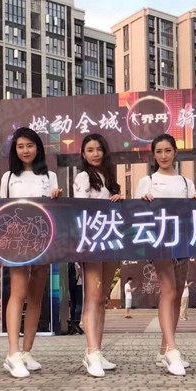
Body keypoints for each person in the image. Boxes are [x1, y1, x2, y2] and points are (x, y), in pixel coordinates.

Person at [0, 127, 61, 378]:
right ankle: (12, 353)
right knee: (18, 292)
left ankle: (27, 352)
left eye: (30, 145)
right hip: (16, 242)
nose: (25, 151)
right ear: (15, 150)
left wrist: (56, 198)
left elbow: (56, 210)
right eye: (20, 146)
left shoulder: (50, 176)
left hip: (43, 240)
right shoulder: (7, 178)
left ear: (38, 148)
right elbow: (0, 210)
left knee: (36, 295)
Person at [136, 133, 196, 376]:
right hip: (159, 241)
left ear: (175, 152)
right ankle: (172, 350)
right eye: (159, 151)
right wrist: (144, 201)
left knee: (177, 294)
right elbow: (137, 213)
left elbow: (194, 212)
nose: (163, 156)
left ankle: (164, 350)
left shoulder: (186, 183)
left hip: (182, 242)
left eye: (167, 150)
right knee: (169, 291)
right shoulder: (147, 181)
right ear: (153, 155)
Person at [73, 133, 122, 377]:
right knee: (92, 296)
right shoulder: (83, 177)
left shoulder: (110, 177)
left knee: (102, 297)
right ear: (83, 154)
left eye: (99, 149)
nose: (95, 154)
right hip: (92, 242)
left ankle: (97, 350)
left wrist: (119, 200)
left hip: (111, 240)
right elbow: (82, 209)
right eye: (90, 150)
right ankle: (91, 352)